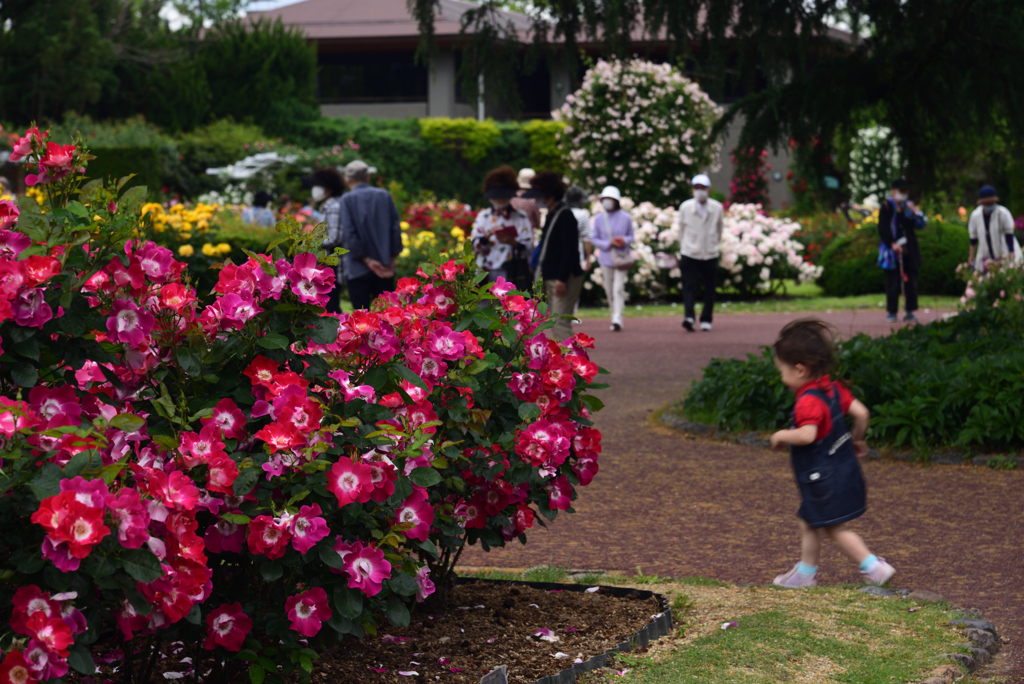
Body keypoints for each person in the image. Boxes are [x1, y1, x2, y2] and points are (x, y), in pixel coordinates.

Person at [768, 318, 896, 589]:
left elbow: (807, 435)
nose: (782, 377)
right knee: (809, 521)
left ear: (800, 370)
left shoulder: (807, 402)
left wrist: (780, 436)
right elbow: (862, 414)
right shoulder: (834, 389)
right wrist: (857, 441)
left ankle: (873, 566)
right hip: (845, 470)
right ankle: (805, 572)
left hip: (821, 478)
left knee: (833, 528)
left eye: (782, 370)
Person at [522, 171, 583, 341]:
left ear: (550, 195)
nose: (537, 200)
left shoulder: (565, 215)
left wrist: (562, 279)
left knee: (560, 322)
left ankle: (570, 363)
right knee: (555, 321)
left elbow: (570, 250)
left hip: (562, 277)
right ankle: (566, 361)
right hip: (552, 275)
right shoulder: (553, 213)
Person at [339, 160, 402, 310]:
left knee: (361, 320)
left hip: (358, 269)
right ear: (368, 177)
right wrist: (391, 259)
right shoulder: (384, 195)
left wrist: (368, 261)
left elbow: (349, 234)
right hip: (385, 267)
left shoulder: (347, 199)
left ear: (346, 179)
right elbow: (395, 228)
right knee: (389, 318)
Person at [469, 165, 533, 288]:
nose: (499, 200)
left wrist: (512, 242)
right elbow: (474, 246)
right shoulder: (483, 216)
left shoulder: (521, 217)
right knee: (484, 306)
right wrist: (487, 236)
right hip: (484, 272)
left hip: (511, 271)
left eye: (502, 196)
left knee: (509, 305)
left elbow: (529, 248)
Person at [674, 174, 724, 332]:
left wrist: (714, 244)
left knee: (710, 287)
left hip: (710, 253)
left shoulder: (716, 208)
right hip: (689, 252)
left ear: (709, 190)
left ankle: (706, 319)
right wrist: (684, 248)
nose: (700, 191)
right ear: (692, 190)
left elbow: (719, 229)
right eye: (697, 188)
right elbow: (681, 229)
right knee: (689, 286)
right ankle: (689, 316)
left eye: (703, 188)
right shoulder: (685, 207)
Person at [877, 178, 927, 323]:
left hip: (909, 249)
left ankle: (910, 311)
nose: (903, 195)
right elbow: (883, 228)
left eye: (905, 192)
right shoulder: (886, 207)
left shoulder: (908, 207)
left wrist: (915, 213)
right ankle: (892, 312)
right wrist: (892, 243)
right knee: (893, 282)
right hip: (892, 251)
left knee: (911, 281)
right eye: (900, 191)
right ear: (893, 191)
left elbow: (921, 224)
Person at [590, 185, 634, 331]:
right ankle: (614, 315)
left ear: (616, 201)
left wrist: (623, 240)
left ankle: (617, 317)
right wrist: (608, 243)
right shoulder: (598, 218)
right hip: (606, 258)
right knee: (609, 290)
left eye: (610, 199)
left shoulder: (625, 217)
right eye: (605, 199)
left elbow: (631, 236)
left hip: (621, 258)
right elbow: (594, 238)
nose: (608, 201)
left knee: (618, 288)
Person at [308, 168, 346, 313]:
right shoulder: (327, 206)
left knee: (330, 300)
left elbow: (334, 237)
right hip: (326, 258)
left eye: (317, 185)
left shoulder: (334, 207)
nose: (314, 189)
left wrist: (312, 242)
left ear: (328, 188)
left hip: (331, 260)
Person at [968, 185, 1016, 272]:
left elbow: (1009, 234)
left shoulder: (1003, 213)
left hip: (1002, 253)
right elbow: (973, 238)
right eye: (986, 203)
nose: (989, 205)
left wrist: (1011, 252)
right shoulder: (975, 215)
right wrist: (971, 256)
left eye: (991, 202)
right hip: (984, 256)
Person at [564, 185, 594, 270]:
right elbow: (588, 238)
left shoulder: (561, 212)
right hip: (576, 251)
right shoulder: (582, 215)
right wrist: (588, 259)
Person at [511, 167, 542, 232]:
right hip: (528, 235)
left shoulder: (511, 198)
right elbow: (538, 224)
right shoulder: (533, 201)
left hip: (511, 234)